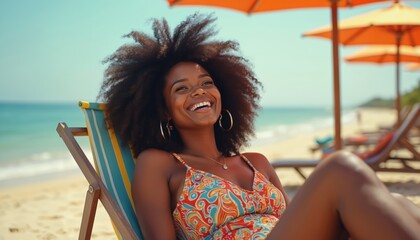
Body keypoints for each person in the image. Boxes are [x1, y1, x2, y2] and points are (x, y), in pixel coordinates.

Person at [98, 13, 420, 240]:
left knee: (400, 203)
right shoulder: (158, 164)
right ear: (164, 111)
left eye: (206, 82)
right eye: (181, 88)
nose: (198, 91)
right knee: (340, 168)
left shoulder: (258, 162)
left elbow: (304, 222)